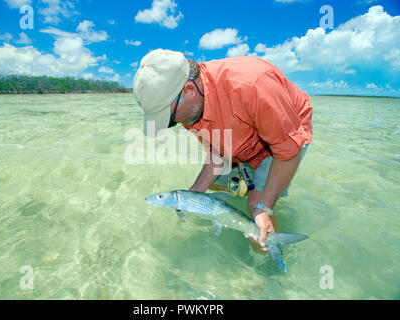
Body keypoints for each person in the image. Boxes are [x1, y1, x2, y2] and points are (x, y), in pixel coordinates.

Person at [133, 49, 313, 252]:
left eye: (170, 118)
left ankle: (273, 258)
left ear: (190, 90)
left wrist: (264, 208)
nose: (173, 123)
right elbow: (219, 150)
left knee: (256, 210)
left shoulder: (252, 86)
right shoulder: (190, 107)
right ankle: (248, 185)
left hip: (283, 133)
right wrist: (196, 192)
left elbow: (288, 152)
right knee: (216, 188)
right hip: (242, 135)